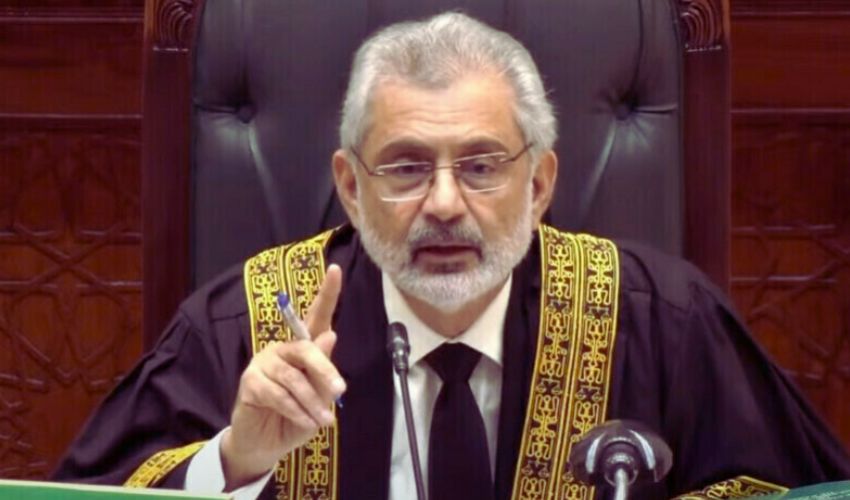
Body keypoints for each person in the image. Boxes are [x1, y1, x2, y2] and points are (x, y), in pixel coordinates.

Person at [54, 11, 850, 500]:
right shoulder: (246, 327)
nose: (442, 203)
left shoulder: (660, 321)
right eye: (404, 168)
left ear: (539, 184)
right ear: (351, 187)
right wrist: (234, 462)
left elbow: (799, 491)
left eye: (480, 166)